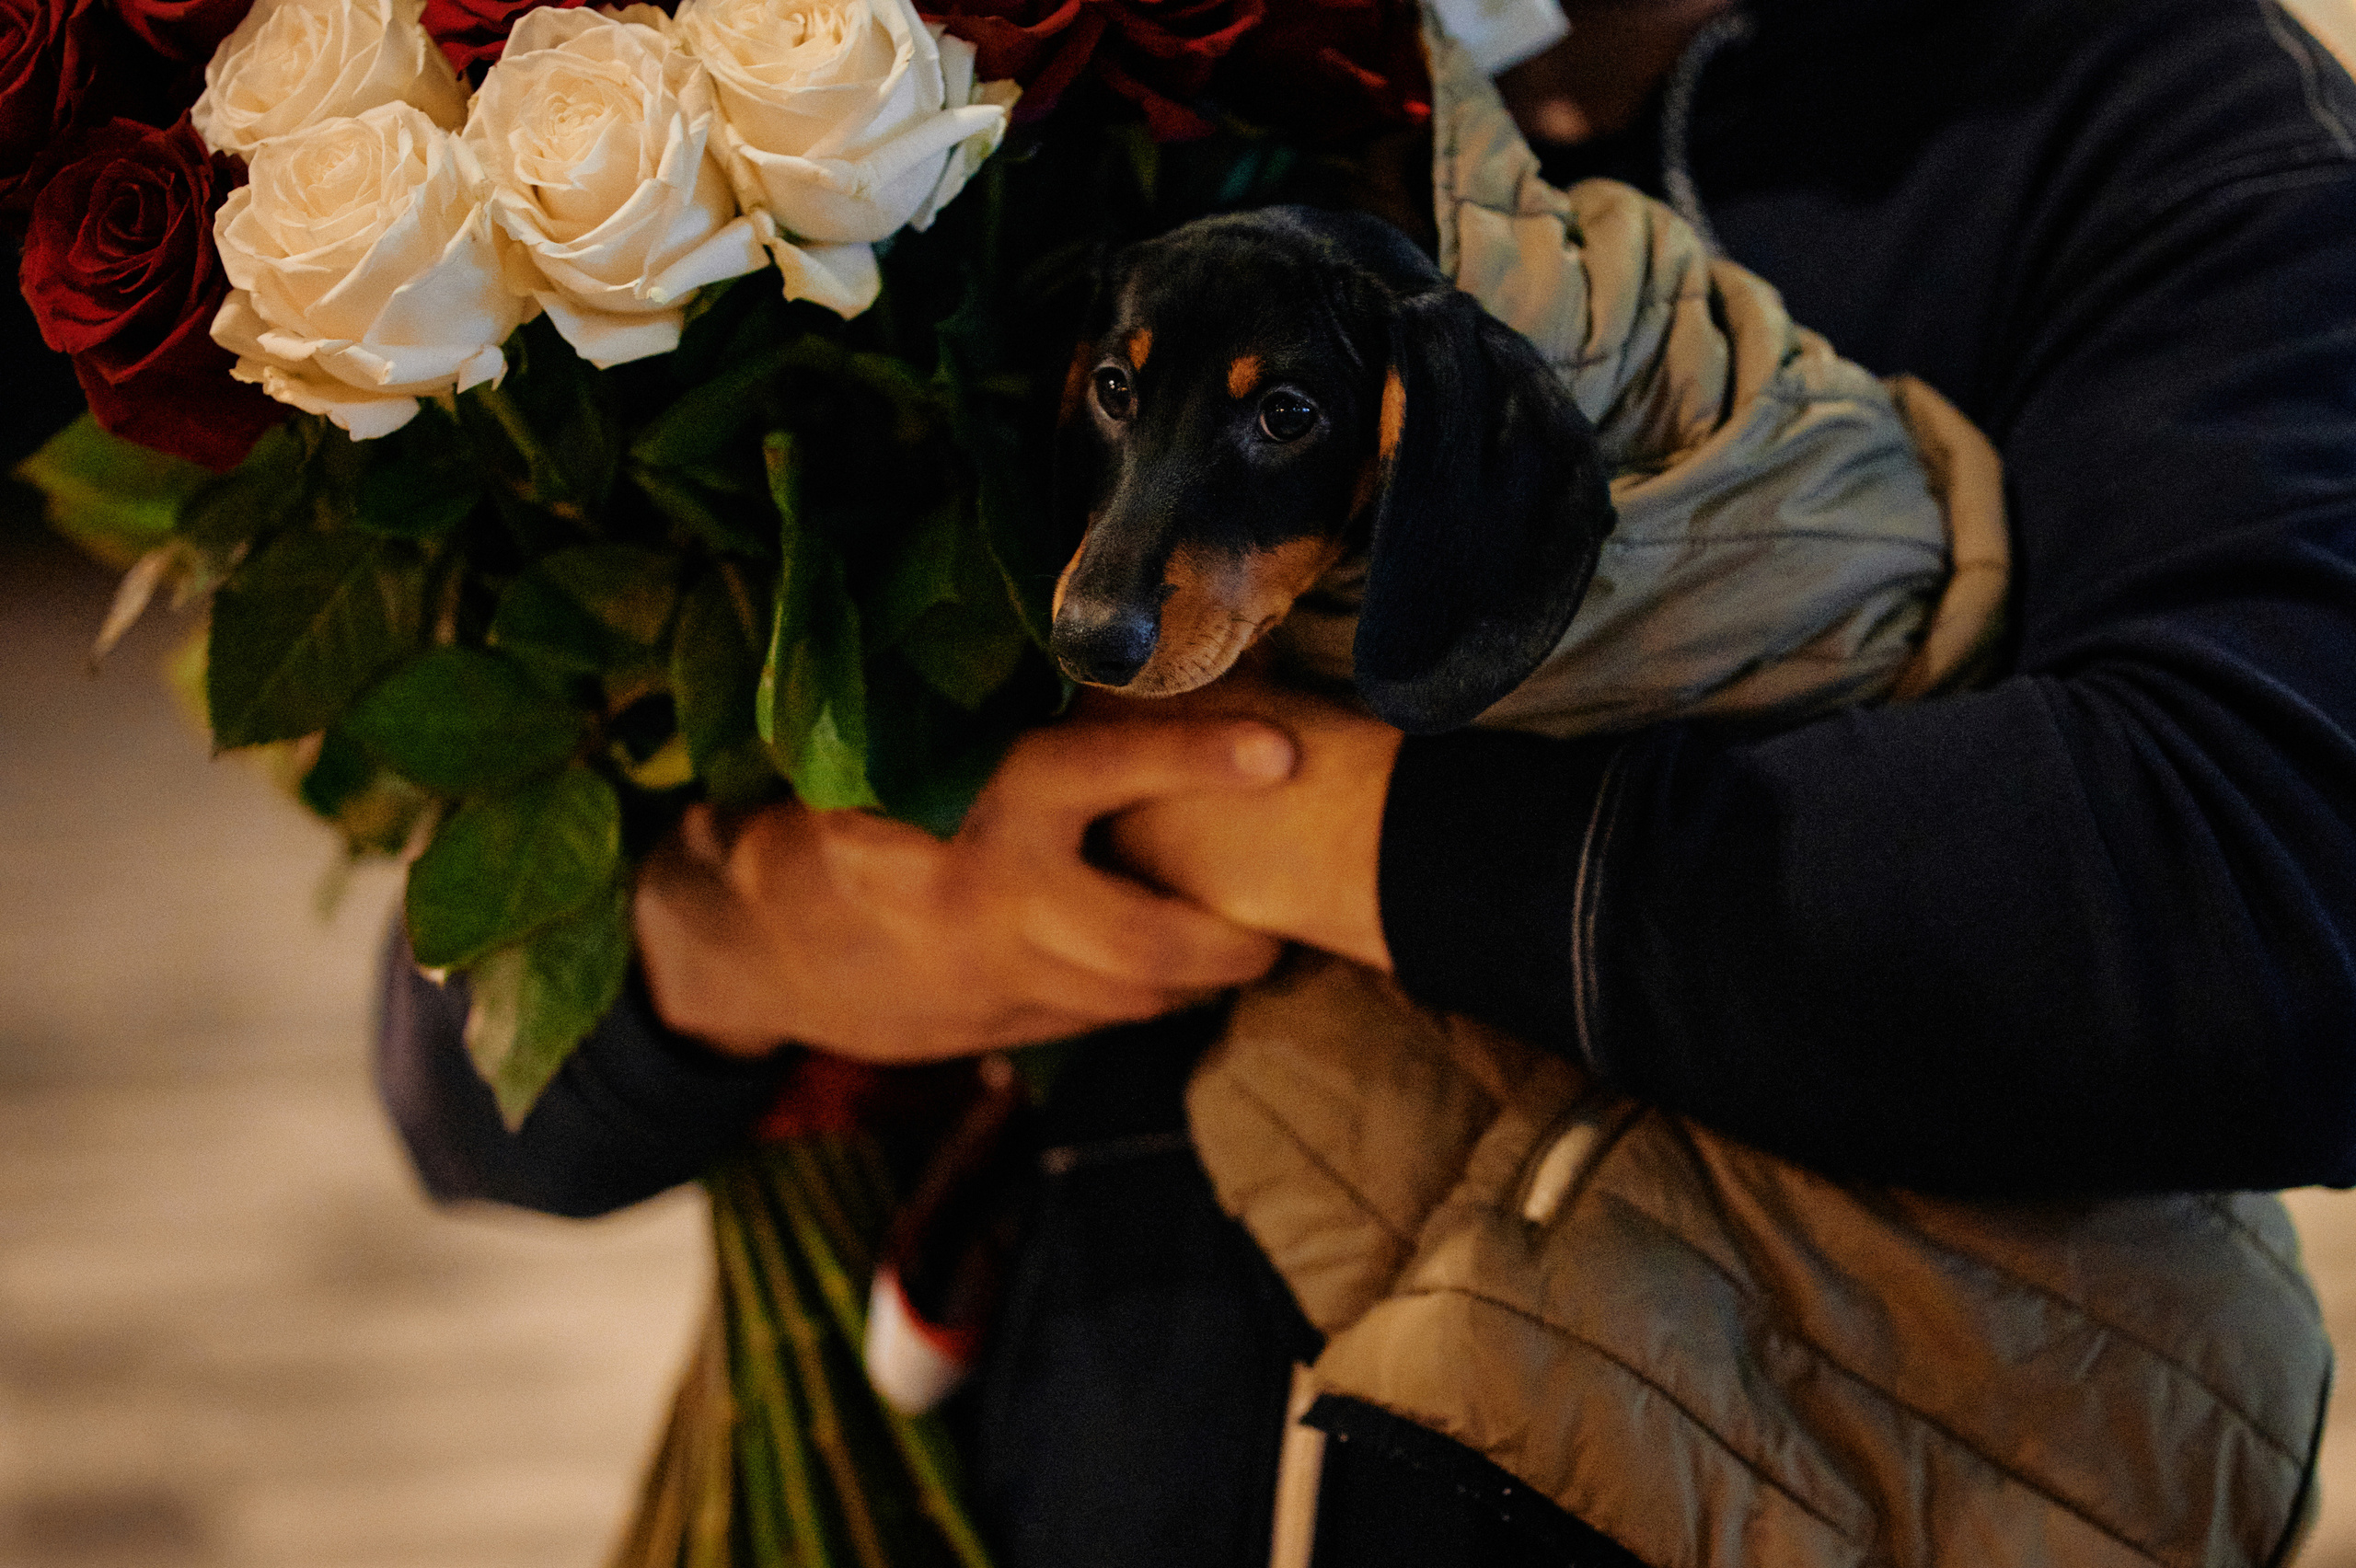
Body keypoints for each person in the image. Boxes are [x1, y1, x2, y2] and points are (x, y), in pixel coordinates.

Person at [378, 0, 2356, 1562]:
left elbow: (2282, 907)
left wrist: (1295, 827)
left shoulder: (2156, 107)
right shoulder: (1093, 102)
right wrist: (738, 940)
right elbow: (457, 1087)